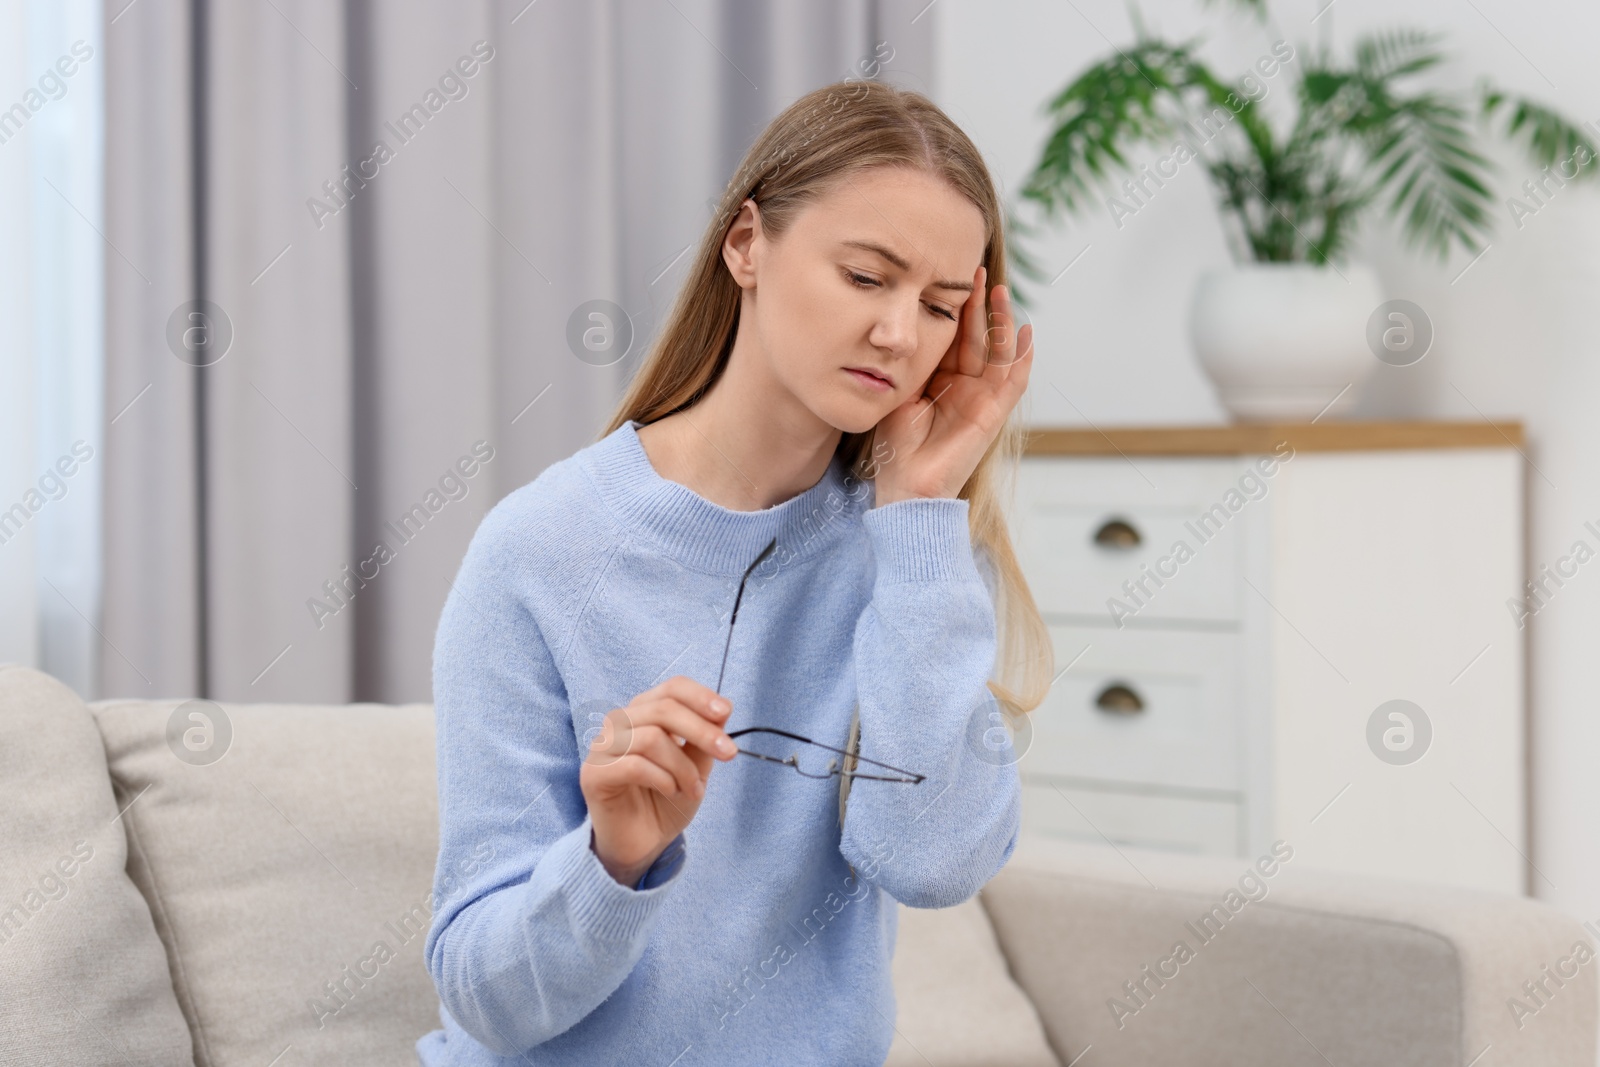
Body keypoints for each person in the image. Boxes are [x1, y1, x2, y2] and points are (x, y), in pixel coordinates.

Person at [417, 77, 1052, 1066]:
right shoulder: (539, 550)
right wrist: (611, 861)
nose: (899, 334)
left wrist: (922, 512)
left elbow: (929, 862)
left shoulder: (909, 550)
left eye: (938, 305)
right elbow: (484, 997)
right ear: (746, 243)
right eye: (866, 277)